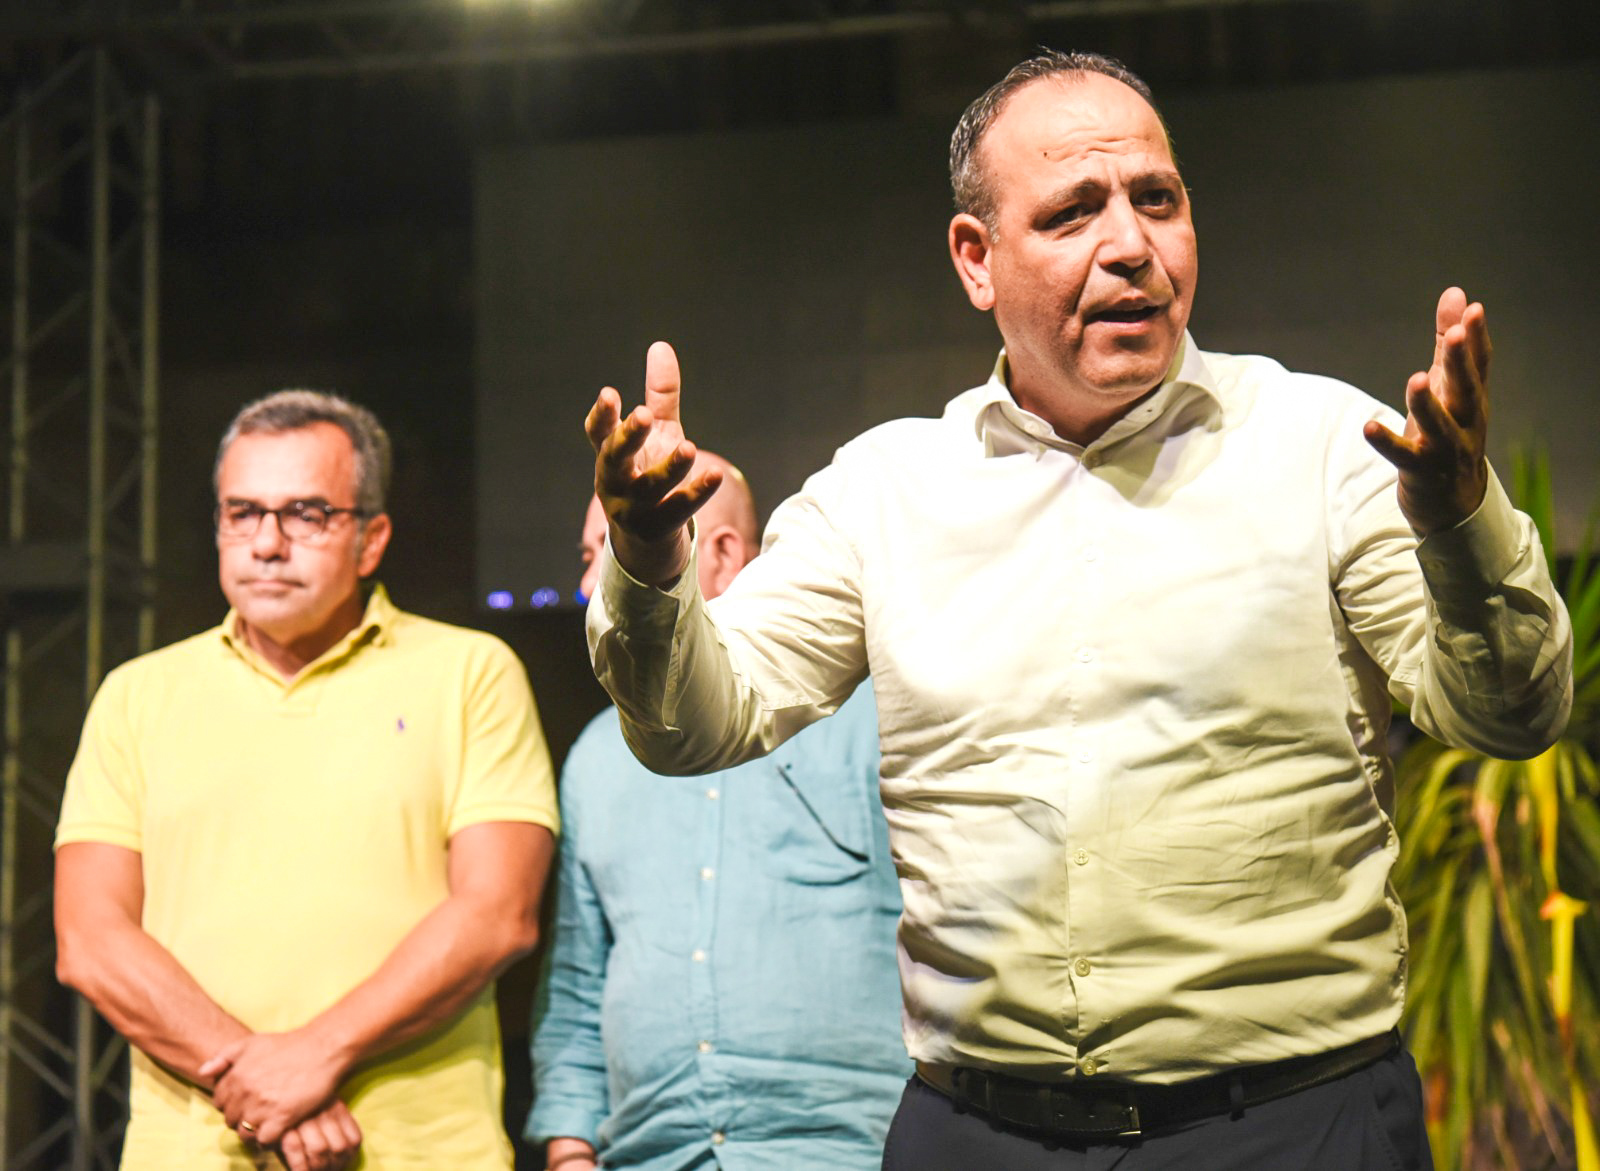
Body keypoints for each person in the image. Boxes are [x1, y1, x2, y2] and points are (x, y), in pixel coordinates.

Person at [579, 51, 1573, 1170]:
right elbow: (693, 724)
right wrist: (648, 558)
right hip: (976, 1135)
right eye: (1072, 211)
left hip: (1294, 1127)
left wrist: (1460, 519)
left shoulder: (1328, 446)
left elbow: (1511, 715)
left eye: (1158, 199)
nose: (1131, 244)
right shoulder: (882, 493)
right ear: (976, 259)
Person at [54, 390, 560, 1171]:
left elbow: (498, 914)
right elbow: (91, 938)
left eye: (306, 514)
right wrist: (268, 1080)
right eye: (242, 513)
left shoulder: (471, 673)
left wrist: (316, 1054)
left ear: (371, 538)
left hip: (422, 1153)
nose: (267, 542)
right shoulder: (137, 694)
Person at [527, 455, 907, 1171]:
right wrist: (570, 1150)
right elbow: (579, 979)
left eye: (615, 545)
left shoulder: (872, 717)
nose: (586, 586)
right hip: (651, 1155)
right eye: (591, 555)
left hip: (850, 1150)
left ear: (724, 554)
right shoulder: (596, 755)